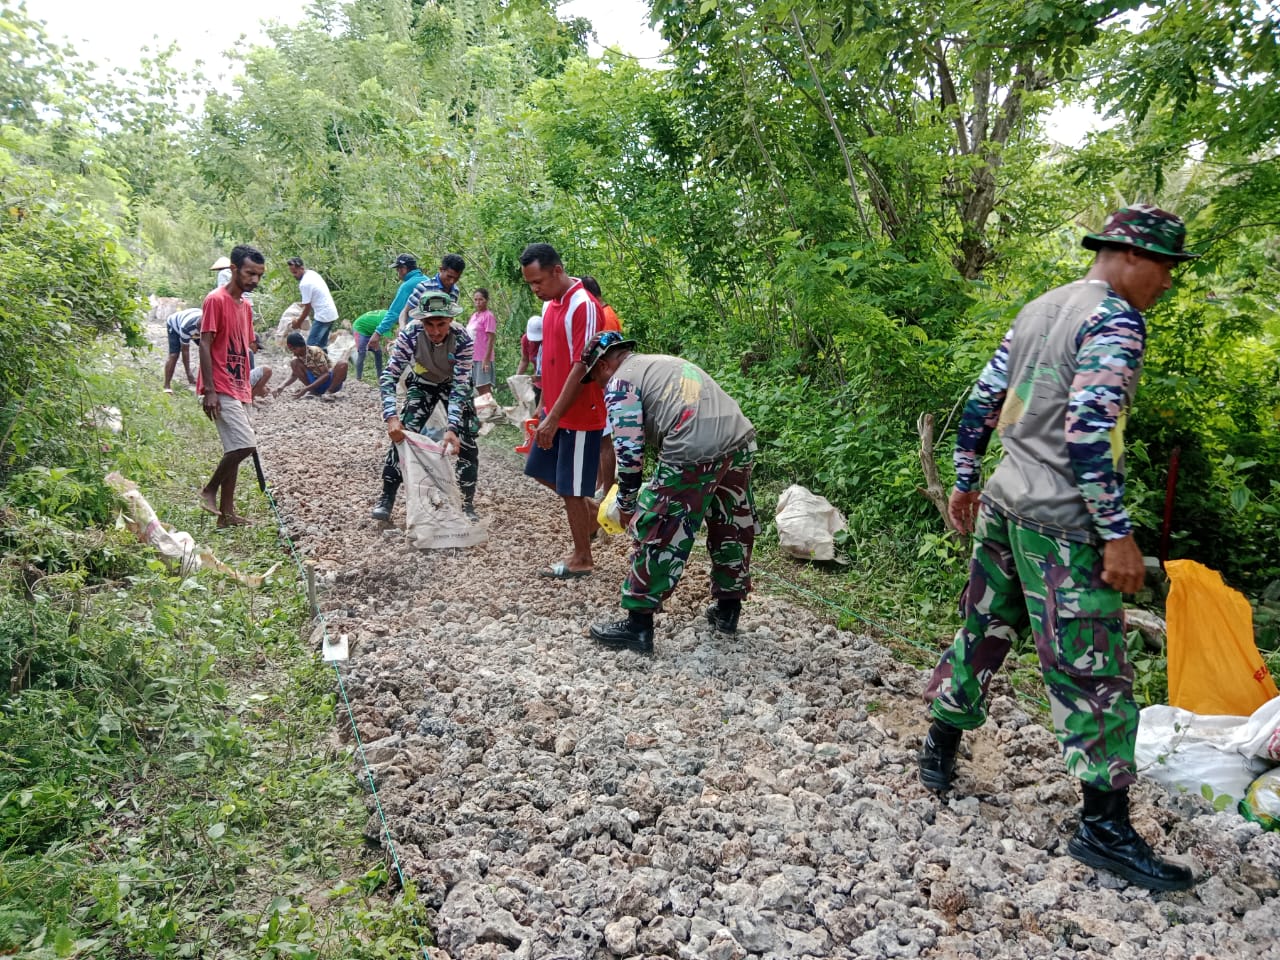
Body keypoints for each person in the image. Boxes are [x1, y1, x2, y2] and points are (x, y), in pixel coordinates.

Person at [918, 206, 1198, 892]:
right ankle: (1103, 829)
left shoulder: (1044, 306)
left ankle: (939, 750)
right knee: (1093, 672)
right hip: (1064, 525)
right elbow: (1088, 429)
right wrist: (1117, 533)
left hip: (1006, 501)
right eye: (1164, 268)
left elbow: (986, 398)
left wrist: (965, 479)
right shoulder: (1116, 320)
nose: (1166, 283)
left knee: (983, 627)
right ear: (1130, 256)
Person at [580, 332, 759, 654]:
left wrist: (626, 503)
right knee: (731, 524)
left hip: (691, 449)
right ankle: (728, 610)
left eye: (594, 378)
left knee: (659, 528)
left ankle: (637, 625)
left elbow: (630, 453)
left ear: (603, 366)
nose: (598, 385)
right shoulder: (661, 363)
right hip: (740, 441)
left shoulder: (620, 383)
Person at [519, 243, 607, 578]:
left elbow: (582, 366)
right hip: (554, 410)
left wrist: (555, 417)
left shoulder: (582, 304)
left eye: (538, 281)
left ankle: (582, 557)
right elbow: (552, 359)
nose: (535, 289)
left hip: (579, 413)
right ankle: (593, 512)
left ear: (557, 270)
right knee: (539, 469)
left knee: (571, 487)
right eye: (530, 284)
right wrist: (544, 408)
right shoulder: (552, 306)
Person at [371, 290, 480, 521]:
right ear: (421, 321)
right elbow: (389, 375)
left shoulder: (463, 339)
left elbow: (461, 386)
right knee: (402, 434)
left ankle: (466, 504)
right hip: (423, 382)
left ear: (450, 320)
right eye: (429, 324)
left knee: (467, 441)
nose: (436, 331)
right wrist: (391, 417)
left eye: (441, 324)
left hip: (454, 384)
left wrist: (452, 428)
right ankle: (387, 497)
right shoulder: (410, 334)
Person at [197, 245, 265, 528]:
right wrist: (209, 390)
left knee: (234, 448)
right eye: (250, 273)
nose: (255, 280)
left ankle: (226, 515)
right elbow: (205, 342)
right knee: (246, 445)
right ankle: (209, 490)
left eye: (259, 275)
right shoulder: (215, 299)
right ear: (234, 269)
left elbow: (246, 343)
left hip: (240, 384)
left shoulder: (245, 306)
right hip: (221, 385)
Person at [369, 253, 464, 354]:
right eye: (449, 277)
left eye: (456, 278)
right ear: (441, 269)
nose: (451, 281)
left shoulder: (455, 291)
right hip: (419, 340)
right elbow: (403, 312)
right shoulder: (424, 287)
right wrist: (403, 329)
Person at [580, 277, 622, 492]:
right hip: (600, 381)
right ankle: (600, 484)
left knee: (604, 439)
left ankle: (607, 487)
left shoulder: (604, 316)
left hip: (604, 383)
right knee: (598, 438)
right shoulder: (606, 313)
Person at [366, 254, 426, 355]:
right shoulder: (427, 280)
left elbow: (394, 312)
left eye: (397, 270)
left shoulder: (407, 286)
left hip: (415, 331)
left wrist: (377, 333)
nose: (397, 273)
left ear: (403, 269)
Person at [287, 257, 340, 352]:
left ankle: (311, 367)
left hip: (323, 316)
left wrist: (298, 323)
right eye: (292, 272)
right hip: (331, 313)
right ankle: (326, 366)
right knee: (321, 346)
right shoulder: (311, 273)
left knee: (310, 348)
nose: (293, 275)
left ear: (302, 268)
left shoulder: (304, 284)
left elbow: (307, 308)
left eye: (295, 272)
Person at [274, 332, 349, 398]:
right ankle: (314, 391)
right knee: (294, 362)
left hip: (329, 381)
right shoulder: (298, 357)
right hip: (316, 383)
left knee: (343, 364)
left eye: (294, 349)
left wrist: (306, 389)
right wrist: (282, 386)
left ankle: (329, 392)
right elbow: (294, 375)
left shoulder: (315, 351)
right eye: (291, 350)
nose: (293, 352)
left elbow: (326, 375)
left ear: (301, 346)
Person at [163, 307, 202, 392]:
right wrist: (189, 373)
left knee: (210, 351)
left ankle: (204, 382)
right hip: (175, 325)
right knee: (174, 355)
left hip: (195, 324)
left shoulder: (211, 324)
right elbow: (185, 351)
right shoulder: (187, 327)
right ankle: (167, 386)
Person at [467, 288, 497, 397]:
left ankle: (490, 411)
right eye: (476, 299)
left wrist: (486, 359)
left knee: (484, 388)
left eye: (481, 299)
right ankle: (482, 411)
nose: (478, 302)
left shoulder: (488, 316)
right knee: (476, 387)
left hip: (483, 357)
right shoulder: (474, 316)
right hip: (473, 357)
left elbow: (491, 338)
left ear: (486, 300)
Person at [516, 314, 543, 408]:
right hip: (538, 384)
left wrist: (537, 377)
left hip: (550, 383)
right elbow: (524, 360)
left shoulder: (549, 342)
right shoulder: (526, 340)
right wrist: (517, 378)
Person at [351, 309, 385, 381]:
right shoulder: (386, 318)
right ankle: (358, 378)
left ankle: (380, 376)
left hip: (370, 332)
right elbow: (387, 338)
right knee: (362, 353)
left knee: (378, 352)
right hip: (360, 330)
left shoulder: (387, 314)